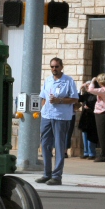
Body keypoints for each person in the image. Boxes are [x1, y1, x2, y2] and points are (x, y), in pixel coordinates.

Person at [35, 58, 78, 186]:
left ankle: (57, 175)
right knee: (45, 144)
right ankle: (46, 174)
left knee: (59, 145)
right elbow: (43, 96)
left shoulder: (68, 81)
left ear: (61, 67)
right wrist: (43, 108)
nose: (54, 69)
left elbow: (74, 99)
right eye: (52, 66)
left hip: (61, 116)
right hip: (47, 115)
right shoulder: (48, 80)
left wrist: (59, 100)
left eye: (57, 66)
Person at [87, 73, 105, 163]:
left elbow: (90, 90)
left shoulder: (104, 90)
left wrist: (92, 81)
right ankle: (104, 154)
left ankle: (103, 155)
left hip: (102, 113)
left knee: (102, 135)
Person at [78, 82, 99, 159]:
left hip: (92, 117)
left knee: (91, 136)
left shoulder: (96, 95)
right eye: (86, 86)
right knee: (84, 135)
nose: (87, 87)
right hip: (85, 117)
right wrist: (80, 89)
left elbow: (95, 105)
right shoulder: (87, 95)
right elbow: (79, 98)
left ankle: (91, 153)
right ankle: (86, 152)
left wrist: (90, 108)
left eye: (88, 86)